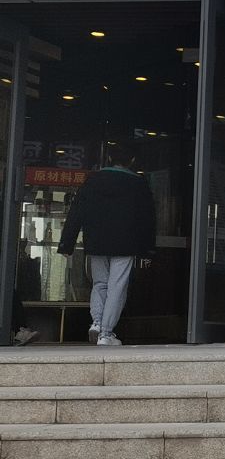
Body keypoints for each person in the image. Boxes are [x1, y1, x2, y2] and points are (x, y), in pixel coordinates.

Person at [57, 146, 156, 346]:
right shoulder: (138, 183)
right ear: (132, 160)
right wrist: (148, 248)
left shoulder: (93, 180)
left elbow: (77, 211)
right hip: (126, 243)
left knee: (100, 283)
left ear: (109, 158)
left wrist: (66, 243)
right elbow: (147, 218)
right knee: (117, 287)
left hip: (96, 242)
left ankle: (96, 321)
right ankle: (106, 333)